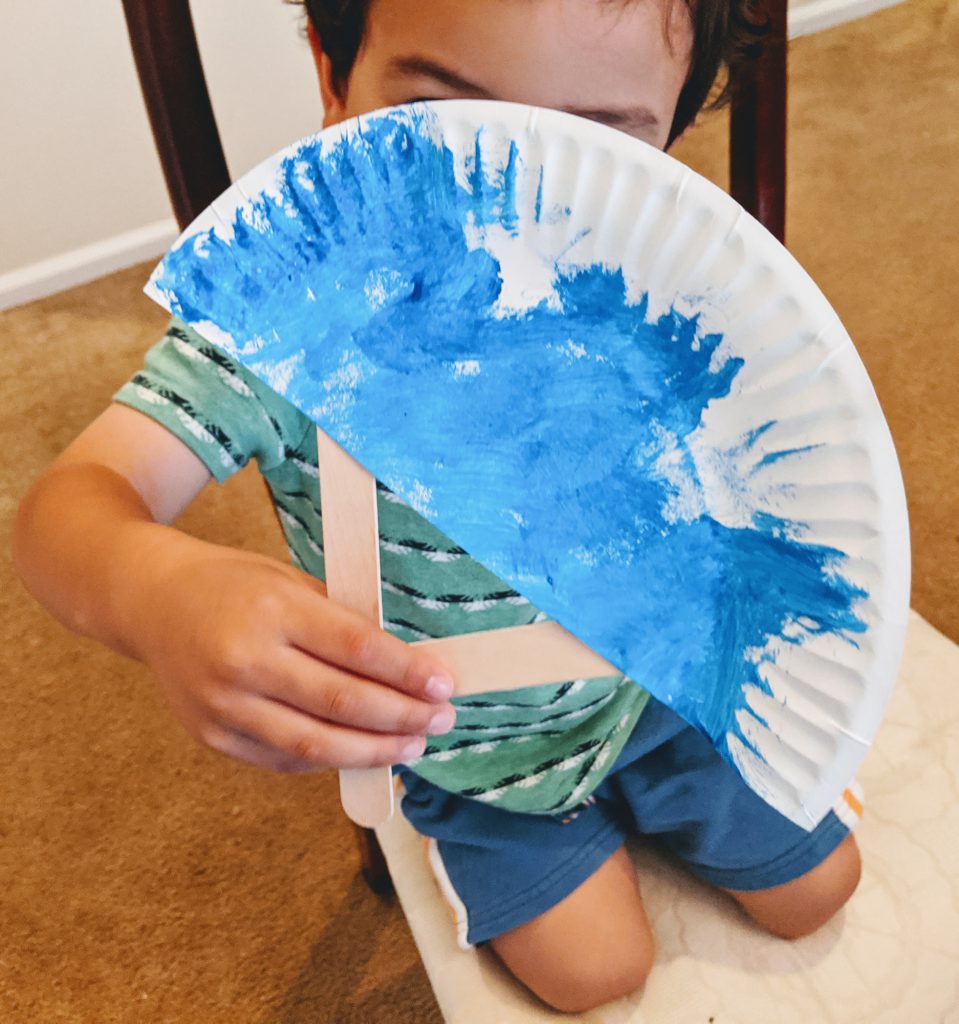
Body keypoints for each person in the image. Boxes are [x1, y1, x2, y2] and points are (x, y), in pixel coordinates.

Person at [13, 0, 863, 1013]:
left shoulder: (665, 279)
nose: (503, 196)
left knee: (821, 888)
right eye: (439, 113)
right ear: (335, 75)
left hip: (654, 690)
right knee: (597, 971)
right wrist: (154, 590)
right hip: (470, 747)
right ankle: (456, 828)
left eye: (589, 139)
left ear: (666, 135)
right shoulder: (291, 318)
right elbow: (68, 508)